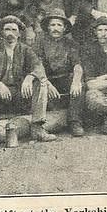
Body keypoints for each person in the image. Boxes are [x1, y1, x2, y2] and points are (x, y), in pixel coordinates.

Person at [0, 15, 56, 153]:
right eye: (7, 29)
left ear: (19, 34)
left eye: (14, 30)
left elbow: (39, 67)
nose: (10, 33)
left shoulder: (26, 50)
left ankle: (37, 127)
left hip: (21, 95)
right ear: (2, 32)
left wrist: (30, 77)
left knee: (41, 82)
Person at [33, 9, 86, 137]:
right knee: (36, 82)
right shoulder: (40, 42)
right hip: (47, 79)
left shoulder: (70, 43)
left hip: (64, 79)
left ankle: (75, 121)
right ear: (47, 27)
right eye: (53, 25)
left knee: (80, 84)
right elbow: (37, 65)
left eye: (59, 25)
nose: (56, 28)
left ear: (64, 28)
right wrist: (46, 83)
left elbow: (77, 65)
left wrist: (76, 81)